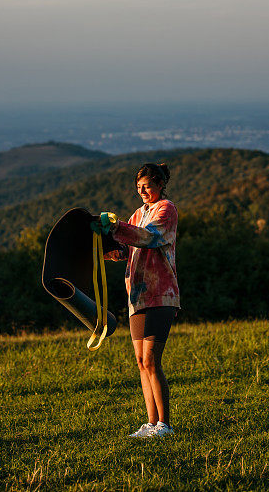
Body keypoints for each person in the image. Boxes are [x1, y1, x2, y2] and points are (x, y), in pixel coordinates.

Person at [92, 162, 180, 438]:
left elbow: (149, 237)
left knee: (152, 360)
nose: (142, 190)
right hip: (137, 296)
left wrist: (117, 227)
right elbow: (127, 248)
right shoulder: (137, 213)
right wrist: (104, 244)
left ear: (160, 185)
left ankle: (165, 424)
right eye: (138, 186)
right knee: (141, 362)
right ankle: (151, 423)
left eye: (148, 186)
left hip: (161, 293)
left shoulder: (166, 209)